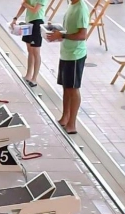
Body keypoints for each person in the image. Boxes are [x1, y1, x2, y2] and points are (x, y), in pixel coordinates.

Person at [47, 0, 91, 134]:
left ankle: (72, 123)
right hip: (66, 52)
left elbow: (83, 35)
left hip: (75, 55)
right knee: (66, 87)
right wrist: (57, 31)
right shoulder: (72, 4)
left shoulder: (81, 8)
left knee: (73, 89)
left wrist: (62, 35)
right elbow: (69, 29)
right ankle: (65, 117)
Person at [11, 0, 48, 86]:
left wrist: (25, 4)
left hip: (37, 23)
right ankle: (28, 74)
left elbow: (35, 10)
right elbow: (23, 5)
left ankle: (34, 78)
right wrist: (15, 18)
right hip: (29, 22)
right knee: (30, 50)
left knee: (36, 51)